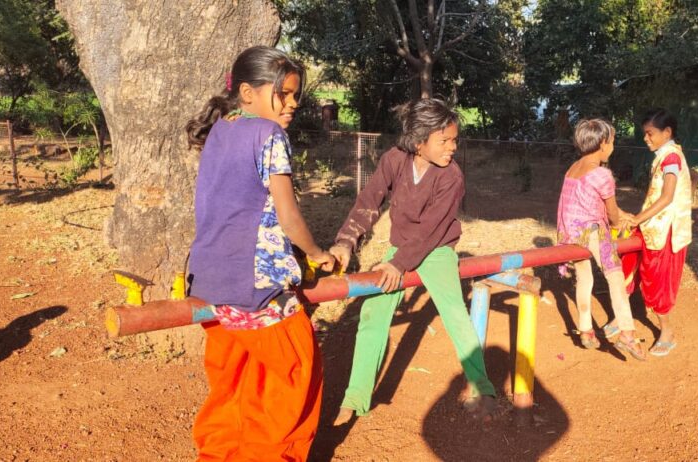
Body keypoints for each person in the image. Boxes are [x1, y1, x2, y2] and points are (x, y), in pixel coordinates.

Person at [184, 45, 334, 461]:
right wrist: (318, 253)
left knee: (233, 380)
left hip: (211, 281)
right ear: (247, 92)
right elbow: (288, 217)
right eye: (282, 94)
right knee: (294, 374)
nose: (291, 104)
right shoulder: (269, 135)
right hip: (257, 287)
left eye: (295, 96)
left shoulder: (222, 128)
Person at [329, 98, 497, 426]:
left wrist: (399, 264)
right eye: (444, 141)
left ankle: (484, 388)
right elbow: (368, 201)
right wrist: (346, 241)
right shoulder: (395, 160)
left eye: (454, 140)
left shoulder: (452, 176)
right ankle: (355, 397)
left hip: (436, 248)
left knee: (453, 312)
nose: (452, 147)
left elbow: (433, 228)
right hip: (402, 248)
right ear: (419, 142)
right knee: (373, 312)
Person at [556, 118, 645, 361]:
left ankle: (586, 330)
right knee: (615, 276)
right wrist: (620, 222)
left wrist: (619, 215)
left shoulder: (573, 168)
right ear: (603, 143)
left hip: (568, 232)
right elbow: (612, 213)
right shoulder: (602, 174)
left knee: (584, 278)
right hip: (591, 231)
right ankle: (627, 333)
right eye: (613, 142)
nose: (613, 148)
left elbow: (586, 201)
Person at [620, 109, 693, 357]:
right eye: (645, 134)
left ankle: (667, 333)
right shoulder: (666, 155)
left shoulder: (671, 158)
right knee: (629, 264)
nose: (646, 138)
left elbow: (668, 196)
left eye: (650, 133)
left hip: (665, 230)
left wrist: (638, 218)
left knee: (657, 281)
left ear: (667, 133)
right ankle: (622, 317)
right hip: (652, 225)